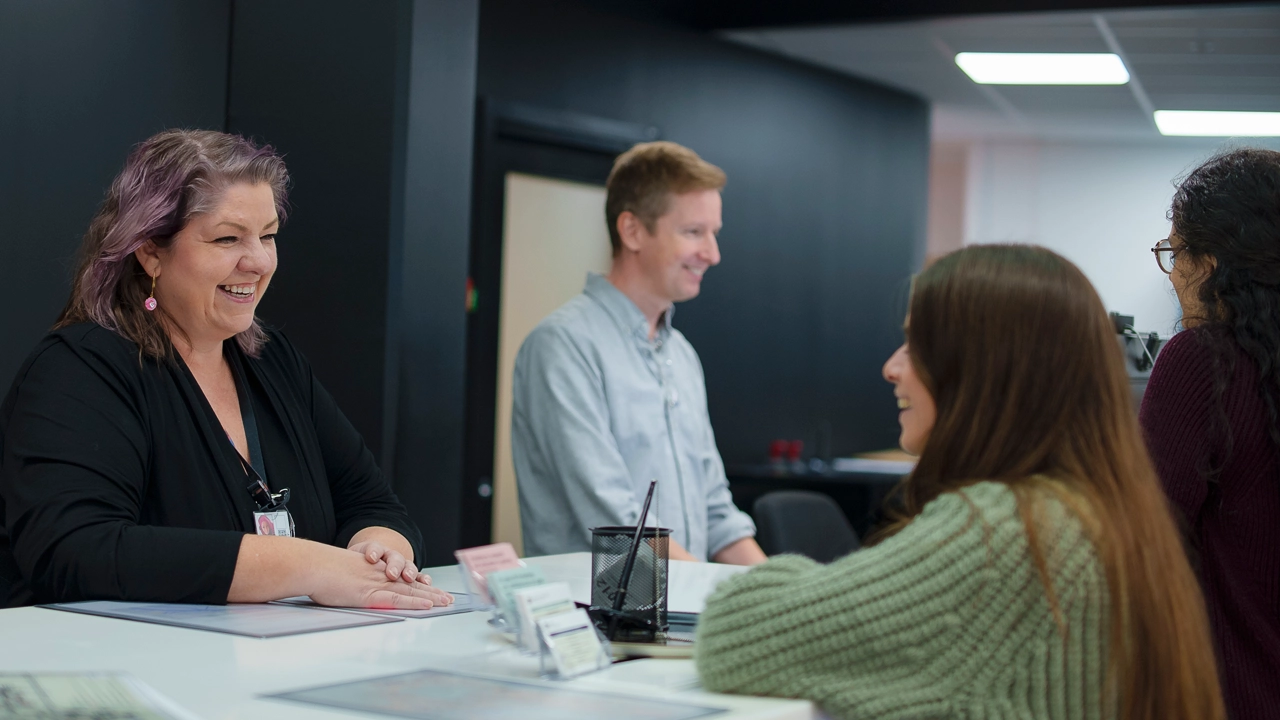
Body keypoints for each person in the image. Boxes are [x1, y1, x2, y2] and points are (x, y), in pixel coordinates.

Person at [695, 246, 1224, 720]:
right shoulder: (1102, 507)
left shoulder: (1004, 532)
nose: (890, 368)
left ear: (982, 370)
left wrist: (805, 584)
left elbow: (735, 636)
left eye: (913, 345)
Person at [0, 129, 452, 610]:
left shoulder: (274, 361)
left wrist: (382, 551)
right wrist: (307, 566)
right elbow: (76, 551)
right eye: (227, 238)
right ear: (150, 249)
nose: (258, 262)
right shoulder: (79, 369)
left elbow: (373, 503)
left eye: (269, 236)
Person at [511, 141, 765, 564]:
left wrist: (787, 597)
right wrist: (721, 599)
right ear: (632, 231)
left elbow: (718, 516)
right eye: (693, 232)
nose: (712, 254)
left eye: (714, 233)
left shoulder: (681, 355)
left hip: (683, 615)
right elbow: (618, 524)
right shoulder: (564, 346)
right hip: (599, 623)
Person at [1140, 148, 1280, 720]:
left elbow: (1145, 542)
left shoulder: (1203, 363)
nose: (1172, 273)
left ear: (1213, 262)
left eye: (1175, 251)